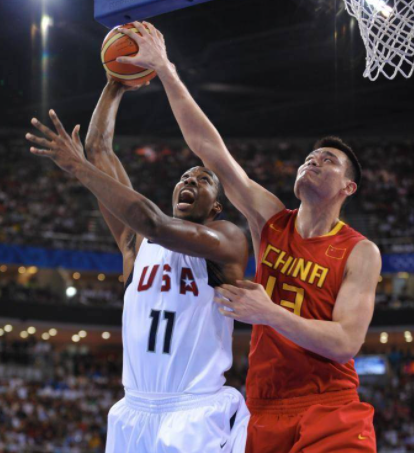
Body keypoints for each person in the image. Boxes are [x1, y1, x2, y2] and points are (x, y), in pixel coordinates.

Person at [116, 21, 382, 453]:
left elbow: (346, 342)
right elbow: (210, 149)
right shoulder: (270, 220)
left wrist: (271, 313)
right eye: (310, 157)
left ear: (348, 187)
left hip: (328, 403)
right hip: (262, 407)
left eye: (327, 160)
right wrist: (165, 69)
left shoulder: (360, 250)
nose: (313, 161)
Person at [25, 78, 250, 453]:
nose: (190, 179)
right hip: (133, 412)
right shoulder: (136, 243)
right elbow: (99, 150)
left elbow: (155, 223)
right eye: (185, 177)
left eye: (203, 179)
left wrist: (78, 168)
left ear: (216, 206)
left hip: (195, 412)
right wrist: (113, 86)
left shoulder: (227, 239)